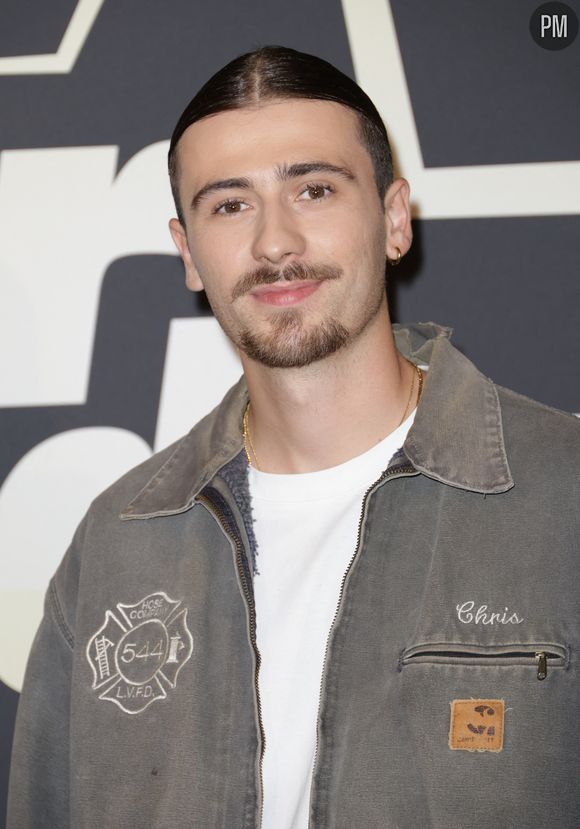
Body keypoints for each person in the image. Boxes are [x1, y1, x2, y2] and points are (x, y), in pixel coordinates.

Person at [7, 45, 580, 829]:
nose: (275, 242)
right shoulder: (119, 542)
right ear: (188, 254)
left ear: (394, 218)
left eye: (313, 188)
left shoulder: (564, 497)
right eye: (230, 204)